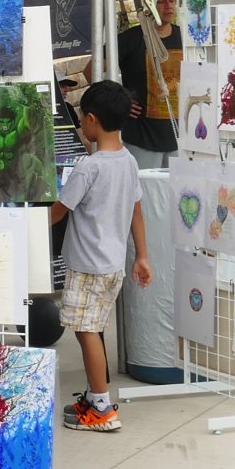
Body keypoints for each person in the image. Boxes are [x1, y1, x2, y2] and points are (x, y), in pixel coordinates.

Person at [47, 80, 151, 434]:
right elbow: (136, 209)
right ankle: (95, 397)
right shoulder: (128, 161)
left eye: (81, 120)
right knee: (90, 328)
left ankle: (103, 407)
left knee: (86, 331)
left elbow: (59, 211)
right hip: (112, 264)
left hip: (88, 266)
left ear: (91, 119)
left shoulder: (88, 167)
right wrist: (142, 256)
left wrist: (22, 225)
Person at [116, 0, 182, 168]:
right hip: (141, 139)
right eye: (161, 1)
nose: (168, 6)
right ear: (149, 4)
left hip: (180, 138)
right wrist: (121, 100)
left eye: (172, 0)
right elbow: (92, 71)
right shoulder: (130, 39)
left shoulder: (184, 36)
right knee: (142, 194)